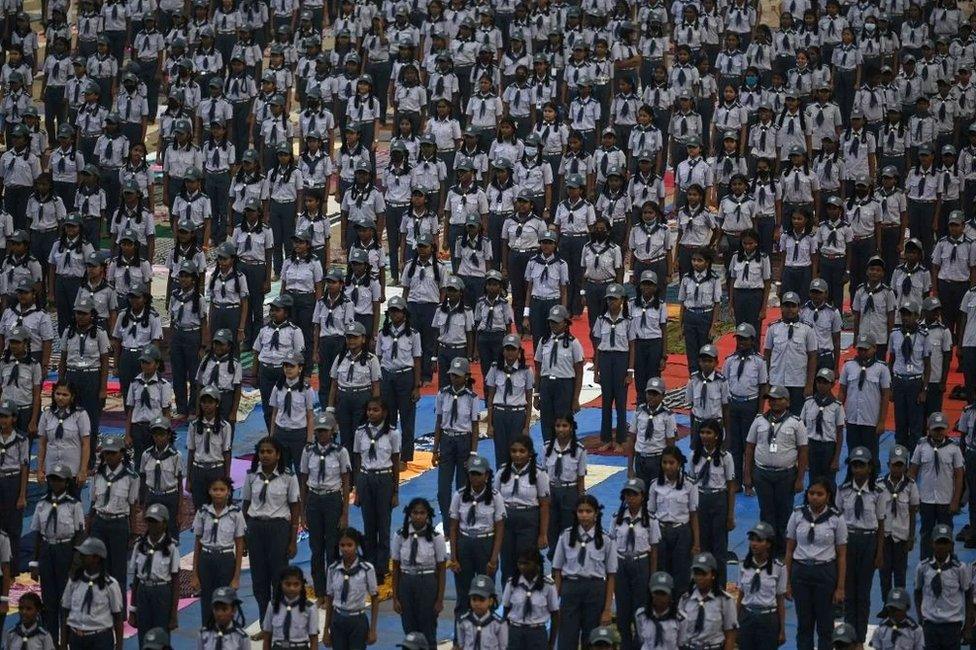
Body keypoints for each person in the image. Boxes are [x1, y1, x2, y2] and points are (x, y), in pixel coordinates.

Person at [241, 436, 300, 623]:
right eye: (262, 452)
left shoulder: (288, 477)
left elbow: (294, 508)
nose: (265, 455)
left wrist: (292, 540)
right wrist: (243, 537)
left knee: (278, 576)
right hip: (255, 528)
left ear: (278, 455)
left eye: (269, 452)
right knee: (259, 579)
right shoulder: (251, 476)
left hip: (278, 529)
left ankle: (279, 621)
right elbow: (246, 504)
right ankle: (263, 623)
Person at [744, 386, 808, 555]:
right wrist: (747, 475)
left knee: (784, 513)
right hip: (762, 474)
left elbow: (803, 451)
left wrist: (800, 478)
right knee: (766, 513)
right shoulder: (759, 421)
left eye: (778, 399)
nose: (773, 402)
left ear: (787, 402)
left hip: (786, 474)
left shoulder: (796, 422)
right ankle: (767, 549)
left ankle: (782, 551)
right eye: (771, 399)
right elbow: (750, 448)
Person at [784, 478, 847, 650]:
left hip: (825, 572)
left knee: (825, 626)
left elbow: (842, 555)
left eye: (820, 494)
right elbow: (789, 550)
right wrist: (787, 582)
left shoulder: (836, 519)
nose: (815, 497)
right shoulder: (797, 514)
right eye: (811, 493)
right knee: (804, 624)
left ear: (828, 496)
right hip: (801, 572)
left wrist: (840, 587)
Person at [552, 494, 616, 650]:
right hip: (570, 589)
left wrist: (607, 609)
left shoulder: (606, 539)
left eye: (589, 511)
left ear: (596, 514)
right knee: (567, 638)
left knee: (591, 638)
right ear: (575, 513)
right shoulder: (566, 536)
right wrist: (554, 602)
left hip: (595, 591)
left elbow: (611, 576)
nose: (584, 515)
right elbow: (558, 570)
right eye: (581, 511)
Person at [835, 446, 885, 645]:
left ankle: (860, 639)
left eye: (861, 465)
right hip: (848, 541)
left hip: (868, 541)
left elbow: (881, 524)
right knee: (849, 591)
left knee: (863, 594)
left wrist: (879, 552)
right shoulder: (843, 490)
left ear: (870, 468)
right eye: (854, 465)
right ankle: (849, 635)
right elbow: (837, 521)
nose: (857, 470)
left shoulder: (877, 493)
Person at [28, 464, 83, 644]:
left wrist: (75, 564)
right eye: (52, 479)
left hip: (65, 550)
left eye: (59, 479)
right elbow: (37, 534)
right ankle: (50, 641)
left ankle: (65, 642)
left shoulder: (74, 505)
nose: (55, 483)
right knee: (48, 600)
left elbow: (79, 536)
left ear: (67, 482)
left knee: (65, 600)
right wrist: (35, 563)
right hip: (47, 550)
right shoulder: (42, 504)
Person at [300, 412, 350, 605]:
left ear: (333, 431)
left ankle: (332, 591)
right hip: (314, 499)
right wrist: (303, 512)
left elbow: (346, 482)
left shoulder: (340, 452)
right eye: (318, 431)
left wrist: (345, 513)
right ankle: (320, 591)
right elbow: (303, 480)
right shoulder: (308, 452)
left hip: (332, 500)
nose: (321, 435)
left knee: (332, 548)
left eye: (325, 431)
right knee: (316, 549)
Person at [448, 455, 505, 618]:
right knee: (463, 595)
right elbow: (453, 526)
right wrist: (454, 557)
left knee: (487, 593)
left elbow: (500, 528)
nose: (475, 477)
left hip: (485, 543)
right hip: (465, 543)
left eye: (478, 474)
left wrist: (494, 558)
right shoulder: (459, 495)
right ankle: (460, 640)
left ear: (487, 475)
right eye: (472, 473)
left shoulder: (495, 496)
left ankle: (490, 635)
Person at [353, 396, 401, 583]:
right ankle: (370, 563)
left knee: (384, 523)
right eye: (369, 410)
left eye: (375, 410)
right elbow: (357, 460)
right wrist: (357, 488)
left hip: (384, 478)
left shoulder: (392, 434)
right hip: (366, 478)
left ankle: (381, 567)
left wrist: (395, 491)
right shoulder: (360, 433)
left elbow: (396, 461)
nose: (371, 413)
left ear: (385, 412)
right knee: (369, 524)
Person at [611, 478, 660, 650]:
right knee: (623, 608)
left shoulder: (651, 520)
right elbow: (612, 544)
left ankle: (640, 644)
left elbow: (654, 549)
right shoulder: (617, 518)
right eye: (627, 494)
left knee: (640, 609)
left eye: (634, 494)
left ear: (643, 496)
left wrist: (652, 575)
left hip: (641, 564)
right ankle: (625, 643)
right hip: (621, 563)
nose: (630, 498)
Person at [391, 498, 446, 648]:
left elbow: (441, 569)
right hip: (406, 581)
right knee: (409, 628)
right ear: (409, 514)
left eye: (422, 513)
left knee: (428, 628)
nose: (418, 516)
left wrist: (440, 599)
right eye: (415, 513)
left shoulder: (436, 537)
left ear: (428, 515)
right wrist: (395, 597)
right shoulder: (400, 535)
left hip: (427, 582)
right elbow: (395, 567)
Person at [189, 475, 245, 621]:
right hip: (206, 560)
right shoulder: (202, 512)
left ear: (229, 492)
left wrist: (236, 577)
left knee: (226, 601)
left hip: (226, 560)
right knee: (207, 601)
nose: (218, 493)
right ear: (209, 491)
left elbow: (239, 545)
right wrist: (195, 574)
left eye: (222, 489)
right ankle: (208, 634)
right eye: (215, 489)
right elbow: (198, 543)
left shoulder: (235, 514)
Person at [909, 412, 964, 559]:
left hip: (945, 500)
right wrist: (912, 496)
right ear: (929, 429)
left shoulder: (954, 448)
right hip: (926, 499)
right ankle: (926, 565)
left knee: (946, 534)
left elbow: (959, 476)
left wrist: (955, 500)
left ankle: (949, 565)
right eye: (935, 429)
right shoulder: (921, 446)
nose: (939, 432)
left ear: (946, 429)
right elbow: (913, 472)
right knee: (926, 533)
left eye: (941, 429)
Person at [691, 418, 736, 586]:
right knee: (702, 545)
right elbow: (691, 483)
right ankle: (702, 584)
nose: (705, 436)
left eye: (709, 432)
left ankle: (719, 586)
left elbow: (731, 487)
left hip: (719, 500)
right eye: (702, 432)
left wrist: (730, 515)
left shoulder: (726, 457)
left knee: (719, 548)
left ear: (717, 435)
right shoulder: (694, 456)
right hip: (700, 500)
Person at [127, 504, 179, 644]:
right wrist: (132, 609)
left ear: (165, 524)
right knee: (143, 634)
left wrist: (173, 614)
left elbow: (175, 582)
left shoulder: (171, 547)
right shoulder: (140, 546)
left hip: (162, 592)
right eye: (149, 521)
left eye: (156, 521)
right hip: (144, 591)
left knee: (161, 634)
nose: (152, 525)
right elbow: (136, 579)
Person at [648, 445, 698, 589]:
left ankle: (680, 606)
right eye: (664, 462)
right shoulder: (655, 485)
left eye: (671, 463)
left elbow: (694, 515)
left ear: (679, 464)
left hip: (681, 532)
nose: (667, 466)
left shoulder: (689, 485)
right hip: (660, 531)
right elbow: (650, 514)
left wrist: (696, 543)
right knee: (662, 570)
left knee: (681, 572)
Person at [60, 538, 124, 650]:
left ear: (96, 558)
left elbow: (118, 617)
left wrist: (119, 646)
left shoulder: (110, 585)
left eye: (85, 555)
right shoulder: (74, 581)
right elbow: (65, 612)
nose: (80, 557)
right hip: (76, 638)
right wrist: (64, 644)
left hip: (100, 638)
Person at [913, 523, 970, 649]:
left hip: (952, 625)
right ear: (932, 543)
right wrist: (920, 617)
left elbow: (968, 594)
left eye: (945, 542)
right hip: (930, 625)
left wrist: (967, 625)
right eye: (938, 542)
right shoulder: (923, 567)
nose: (941, 546)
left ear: (951, 545)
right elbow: (917, 591)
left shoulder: (959, 568)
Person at [533, 305, 584, 442]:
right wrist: (536, 394)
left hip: (564, 385)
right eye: (551, 321)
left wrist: (575, 398)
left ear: (566, 323)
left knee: (563, 423)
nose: (553, 324)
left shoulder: (574, 343)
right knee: (546, 422)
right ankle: (548, 452)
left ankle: (565, 454)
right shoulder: (543, 341)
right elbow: (538, 368)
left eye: (556, 322)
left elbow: (579, 372)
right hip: (546, 384)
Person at [324, 528, 381, 649]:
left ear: (357, 545)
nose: (345, 549)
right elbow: (329, 598)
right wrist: (325, 630)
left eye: (349, 545)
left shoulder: (367, 569)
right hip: (338, 619)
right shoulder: (333, 569)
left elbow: (375, 598)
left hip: (358, 620)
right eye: (342, 545)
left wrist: (373, 629)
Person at [763, 291, 817, 415]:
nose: (790, 309)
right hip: (777, 380)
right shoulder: (773, 328)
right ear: (781, 307)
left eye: (793, 306)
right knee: (776, 416)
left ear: (799, 308)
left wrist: (809, 385)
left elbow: (812, 357)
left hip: (798, 382)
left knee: (796, 418)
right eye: (786, 306)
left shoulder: (807, 329)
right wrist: (766, 382)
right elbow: (767, 355)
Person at [839, 334, 892, 462]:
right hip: (852, 418)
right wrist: (839, 414)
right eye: (860, 349)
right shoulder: (848, 366)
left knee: (872, 455)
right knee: (853, 453)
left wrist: (881, 422)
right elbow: (842, 392)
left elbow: (885, 396)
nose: (862, 352)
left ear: (874, 349)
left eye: (866, 349)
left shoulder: (882, 368)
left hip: (871, 420)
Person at [736, 521, 787, 649]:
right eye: (752, 540)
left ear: (768, 544)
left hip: (768, 619)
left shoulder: (779, 568)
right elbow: (740, 596)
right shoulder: (743, 566)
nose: (754, 544)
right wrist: (736, 623)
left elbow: (780, 600)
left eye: (759, 540)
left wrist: (782, 629)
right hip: (747, 617)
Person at [677, 552, 738, 650]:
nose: (699, 578)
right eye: (696, 573)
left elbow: (730, 635)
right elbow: (679, 632)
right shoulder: (685, 600)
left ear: (713, 574)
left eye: (704, 574)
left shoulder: (725, 600)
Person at [800, 368, 845, 483]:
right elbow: (802, 429)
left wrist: (836, 459)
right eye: (819, 382)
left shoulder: (836, 406)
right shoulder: (809, 403)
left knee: (829, 481)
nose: (821, 385)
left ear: (832, 384)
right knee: (813, 480)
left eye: (825, 382)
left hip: (828, 448)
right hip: (812, 446)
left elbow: (839, 433)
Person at [260, 566, 318, 650]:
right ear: (281, 584)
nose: (292, 588)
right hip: (278, 647)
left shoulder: (310, 608)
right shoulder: (272, 606)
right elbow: (267, 635)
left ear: (302, 585)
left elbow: (314, 639)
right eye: (287, 584)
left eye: (296, 584)